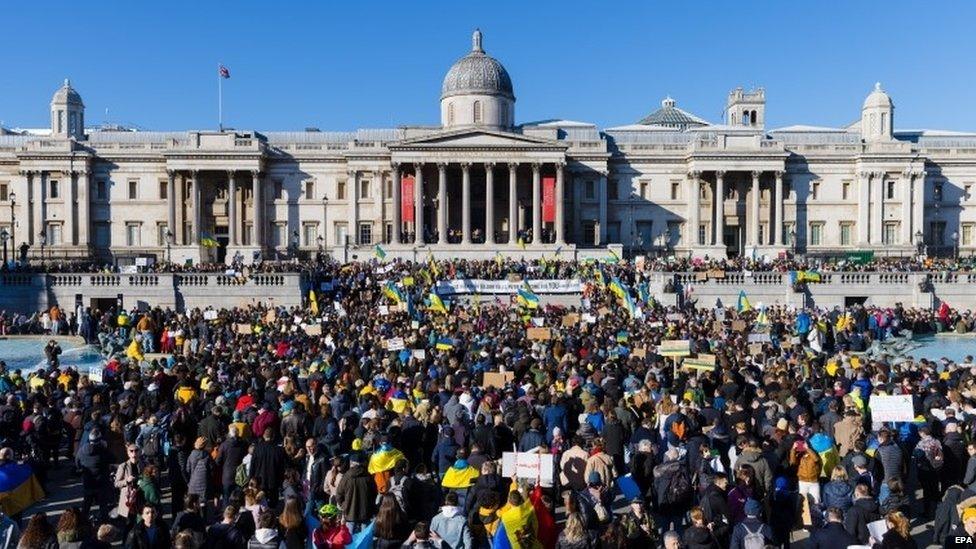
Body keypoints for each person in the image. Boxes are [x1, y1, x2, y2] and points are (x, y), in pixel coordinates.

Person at [75, 429, 112, 521]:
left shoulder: (82, 450)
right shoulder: (103, 451)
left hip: (88, 482)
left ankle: (82, 522)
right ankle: (104, 525)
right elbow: (113, 459)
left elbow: (77, 463)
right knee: (103, 505)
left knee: (86, 504)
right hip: (101, 483)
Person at [335, 453, 377, 534]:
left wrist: (344, 505)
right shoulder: (368, 476)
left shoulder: (346, 477)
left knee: (349, 540)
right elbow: (374, 493)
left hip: (350, 513)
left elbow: (339, 494)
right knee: (364, 539)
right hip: (366, 512)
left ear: (351, 463)